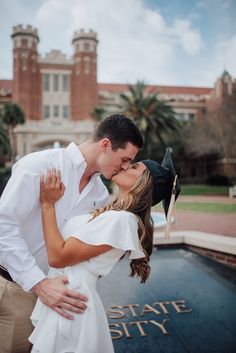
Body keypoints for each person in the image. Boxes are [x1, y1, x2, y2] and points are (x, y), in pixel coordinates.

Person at [0, 114, 144, 353]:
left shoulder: (99, 194)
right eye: (125, 159)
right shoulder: (39, 166)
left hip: (58, 297)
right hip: (17, 290)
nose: (126, 166)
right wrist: (38, 283)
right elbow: (4, 225)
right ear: (106, 145)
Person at [29, 151, 180, 353]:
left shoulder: (123, 220)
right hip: (68, 298)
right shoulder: (111, 213)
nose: (126, 166)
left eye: (134, 167)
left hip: (72, 303)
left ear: (144, 184)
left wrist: (47, 204)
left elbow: (58, 257)